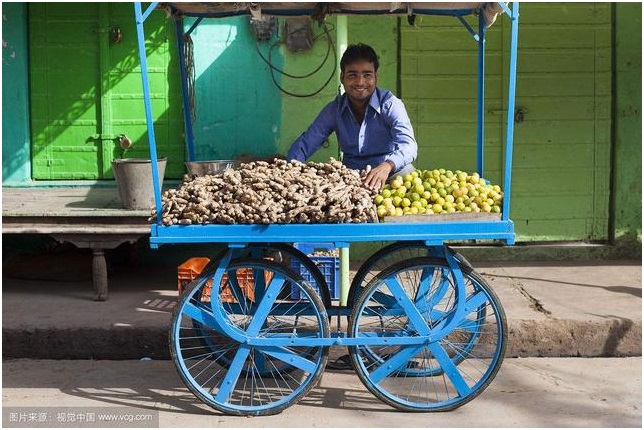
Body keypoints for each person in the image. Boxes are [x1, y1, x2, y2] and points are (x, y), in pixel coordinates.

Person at [286, 43, 418, 191]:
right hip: (353, 179)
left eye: (367, 75)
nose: (360, 82)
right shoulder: (334, 109)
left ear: (376, 77)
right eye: (352, 75)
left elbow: (409, 145)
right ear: (342, 77)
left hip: (393, 173)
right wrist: (289, 171)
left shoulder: (390, 104)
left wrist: (387, 165)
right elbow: (305, 144)